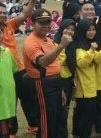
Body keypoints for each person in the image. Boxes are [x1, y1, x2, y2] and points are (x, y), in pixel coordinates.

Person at [0, 0, 40, 135]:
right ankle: (11, 130)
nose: (3, 15)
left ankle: (33, 124)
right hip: (1, 69)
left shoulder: (10, 24)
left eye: (5, 12)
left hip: (19, 68)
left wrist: (32, 2)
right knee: (10, 100)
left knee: (28, 97)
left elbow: (24, 14)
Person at [23, 8, 74, 138]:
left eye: (47, 22)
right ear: (33, 23)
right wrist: (61, 46)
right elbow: (43, 62)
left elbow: (55, 64)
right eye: (41, 23)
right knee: (47, 122)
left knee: (61, 119)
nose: (46, 26)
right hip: (42, 84)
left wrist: (60, 89)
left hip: (56, 82)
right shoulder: (31, 42)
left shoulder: (48, 39)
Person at [66, 19, 100, 138]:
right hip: (84, 88)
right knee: (85, 115)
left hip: (90, 86)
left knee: (84, 114)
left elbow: (97, 59)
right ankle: (81, 134)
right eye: (89, 30)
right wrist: (91, 50)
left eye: (93, 30)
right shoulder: (79, 45)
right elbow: (81, 63)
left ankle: (78, 134)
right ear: (82, 31)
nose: (92, 32)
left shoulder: (88, 43)